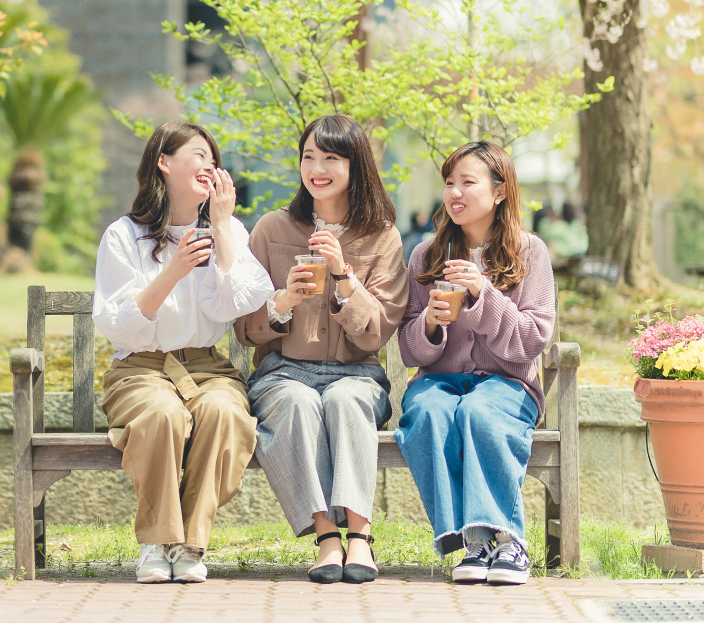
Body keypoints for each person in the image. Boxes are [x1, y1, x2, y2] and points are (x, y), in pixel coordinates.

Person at [92, 121, 274, 584]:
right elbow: (117, 326)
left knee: (224, 413)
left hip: (207, 367)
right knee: (161, 416)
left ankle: (191, 542)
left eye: (213, 157)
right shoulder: (123, 235)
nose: (210, 164)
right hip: (140, 370)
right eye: (198, 154)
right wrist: (172, 271)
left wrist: (220, 226)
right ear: (164, 162)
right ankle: (158, 541)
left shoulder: (227, 229)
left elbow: (242, 300)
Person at [234, 115, 409, 585]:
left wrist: (344, 276)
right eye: (309, 156)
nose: (317, 167)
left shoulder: (382, 235)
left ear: (356, 166)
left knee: (345, 401)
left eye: (331, 157)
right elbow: (244, 330)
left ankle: (361, 538)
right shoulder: (271, 230)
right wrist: (285, 300)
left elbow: (375, 335)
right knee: (297, 403)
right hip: (283, 373)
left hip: (355, 374)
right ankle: (325, 536)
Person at [395, 141, 555, 586]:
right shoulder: (426, 256)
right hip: (439, 381)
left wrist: (484, 296)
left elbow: (533, 339)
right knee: (427, 412)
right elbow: (411, 351)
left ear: (500, 191)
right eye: (450, 183)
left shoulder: (530, 252)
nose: (455, 193)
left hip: (507, 384)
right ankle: (474, 542)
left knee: (480, 412)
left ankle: (506, 540)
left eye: (468, 182)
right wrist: (429, 321)